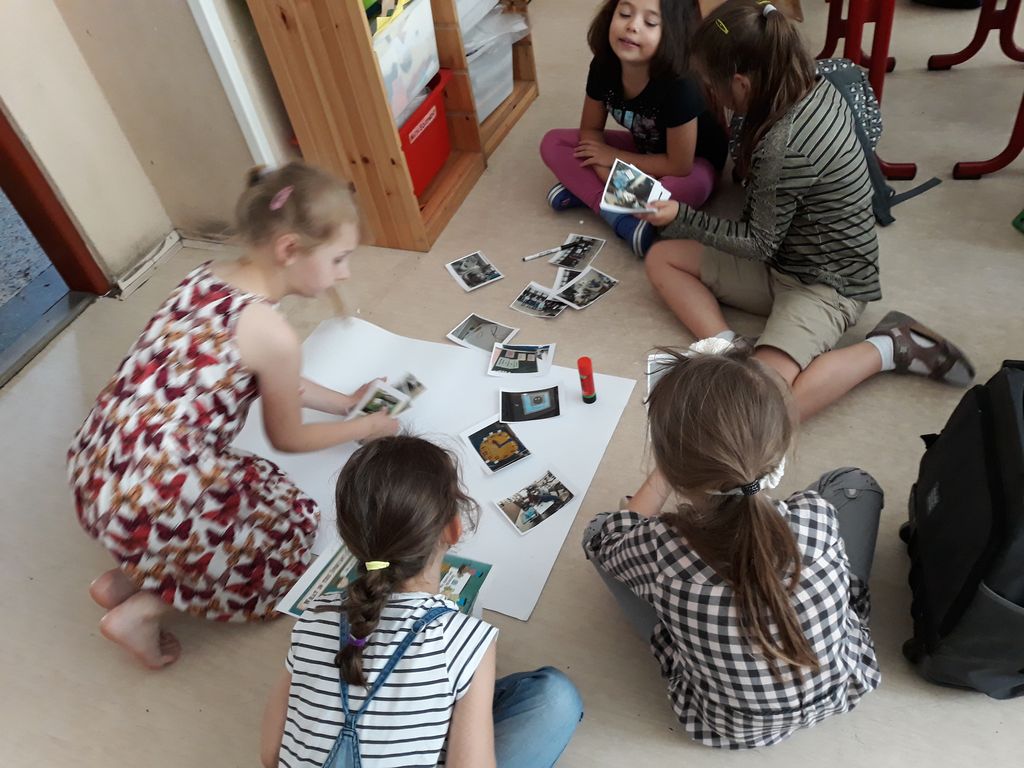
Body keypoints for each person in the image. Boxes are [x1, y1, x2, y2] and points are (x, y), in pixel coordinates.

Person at [67, 162, 399, 669]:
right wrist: (366, 425)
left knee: (251, 500)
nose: (345, 273)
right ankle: (141, 612)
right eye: (339, 259)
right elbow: (288, 438)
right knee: (282, 540)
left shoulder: (206, 276)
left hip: (101, 462)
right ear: (289, 249)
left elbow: (272, 378)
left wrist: (344, 402)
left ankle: (124, 580)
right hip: (157, 488)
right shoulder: (272, 333)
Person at [642, 0, 974, 420]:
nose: (709, 94)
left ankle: (891, 346)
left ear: (741, 85)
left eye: (710, 84)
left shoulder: (785, 147)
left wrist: (682, 218)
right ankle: (728, 347)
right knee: (662, 258)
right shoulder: (808, 80)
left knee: (761, 413)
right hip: (785, 257)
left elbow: (758, 243)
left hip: (827, 283)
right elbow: (767, 236)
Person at [584, 344, 882, 748]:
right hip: (843, 688)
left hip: (729, 726)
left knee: (604, 536)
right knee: (852, 482)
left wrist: (667, 474)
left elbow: (600, 539)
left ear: (670, 466)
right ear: (779, 448)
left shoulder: (664, 552)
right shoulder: (816, 515)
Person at [261, 436, 583, 767]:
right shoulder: (464, 639)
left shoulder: (314, 616)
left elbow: (271, 756)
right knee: (556, 699)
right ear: (454, 530)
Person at [540, 0, 729, 257]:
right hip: (645, 148)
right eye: (624, 13)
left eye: (650, 22)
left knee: (677, 191)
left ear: (672, 35)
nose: (632, 26)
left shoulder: (681, 84)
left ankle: (591, 193)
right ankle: (616, 212)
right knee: (554, 143)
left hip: (693, 163)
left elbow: (679, 165)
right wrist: (605, 167)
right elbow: (590, 132)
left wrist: (611, 161)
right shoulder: (604, 65)